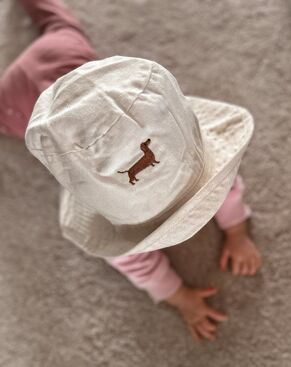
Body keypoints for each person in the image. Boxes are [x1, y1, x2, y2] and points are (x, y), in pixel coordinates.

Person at [0, 0, 262, 342]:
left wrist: (237, 232)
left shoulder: (199, 163)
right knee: (57, 27)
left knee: (60, 28)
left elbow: (223, 183)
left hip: (64, 53)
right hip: (21, 99)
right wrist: (179, 296)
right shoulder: (37, 122)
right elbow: (136, 262)